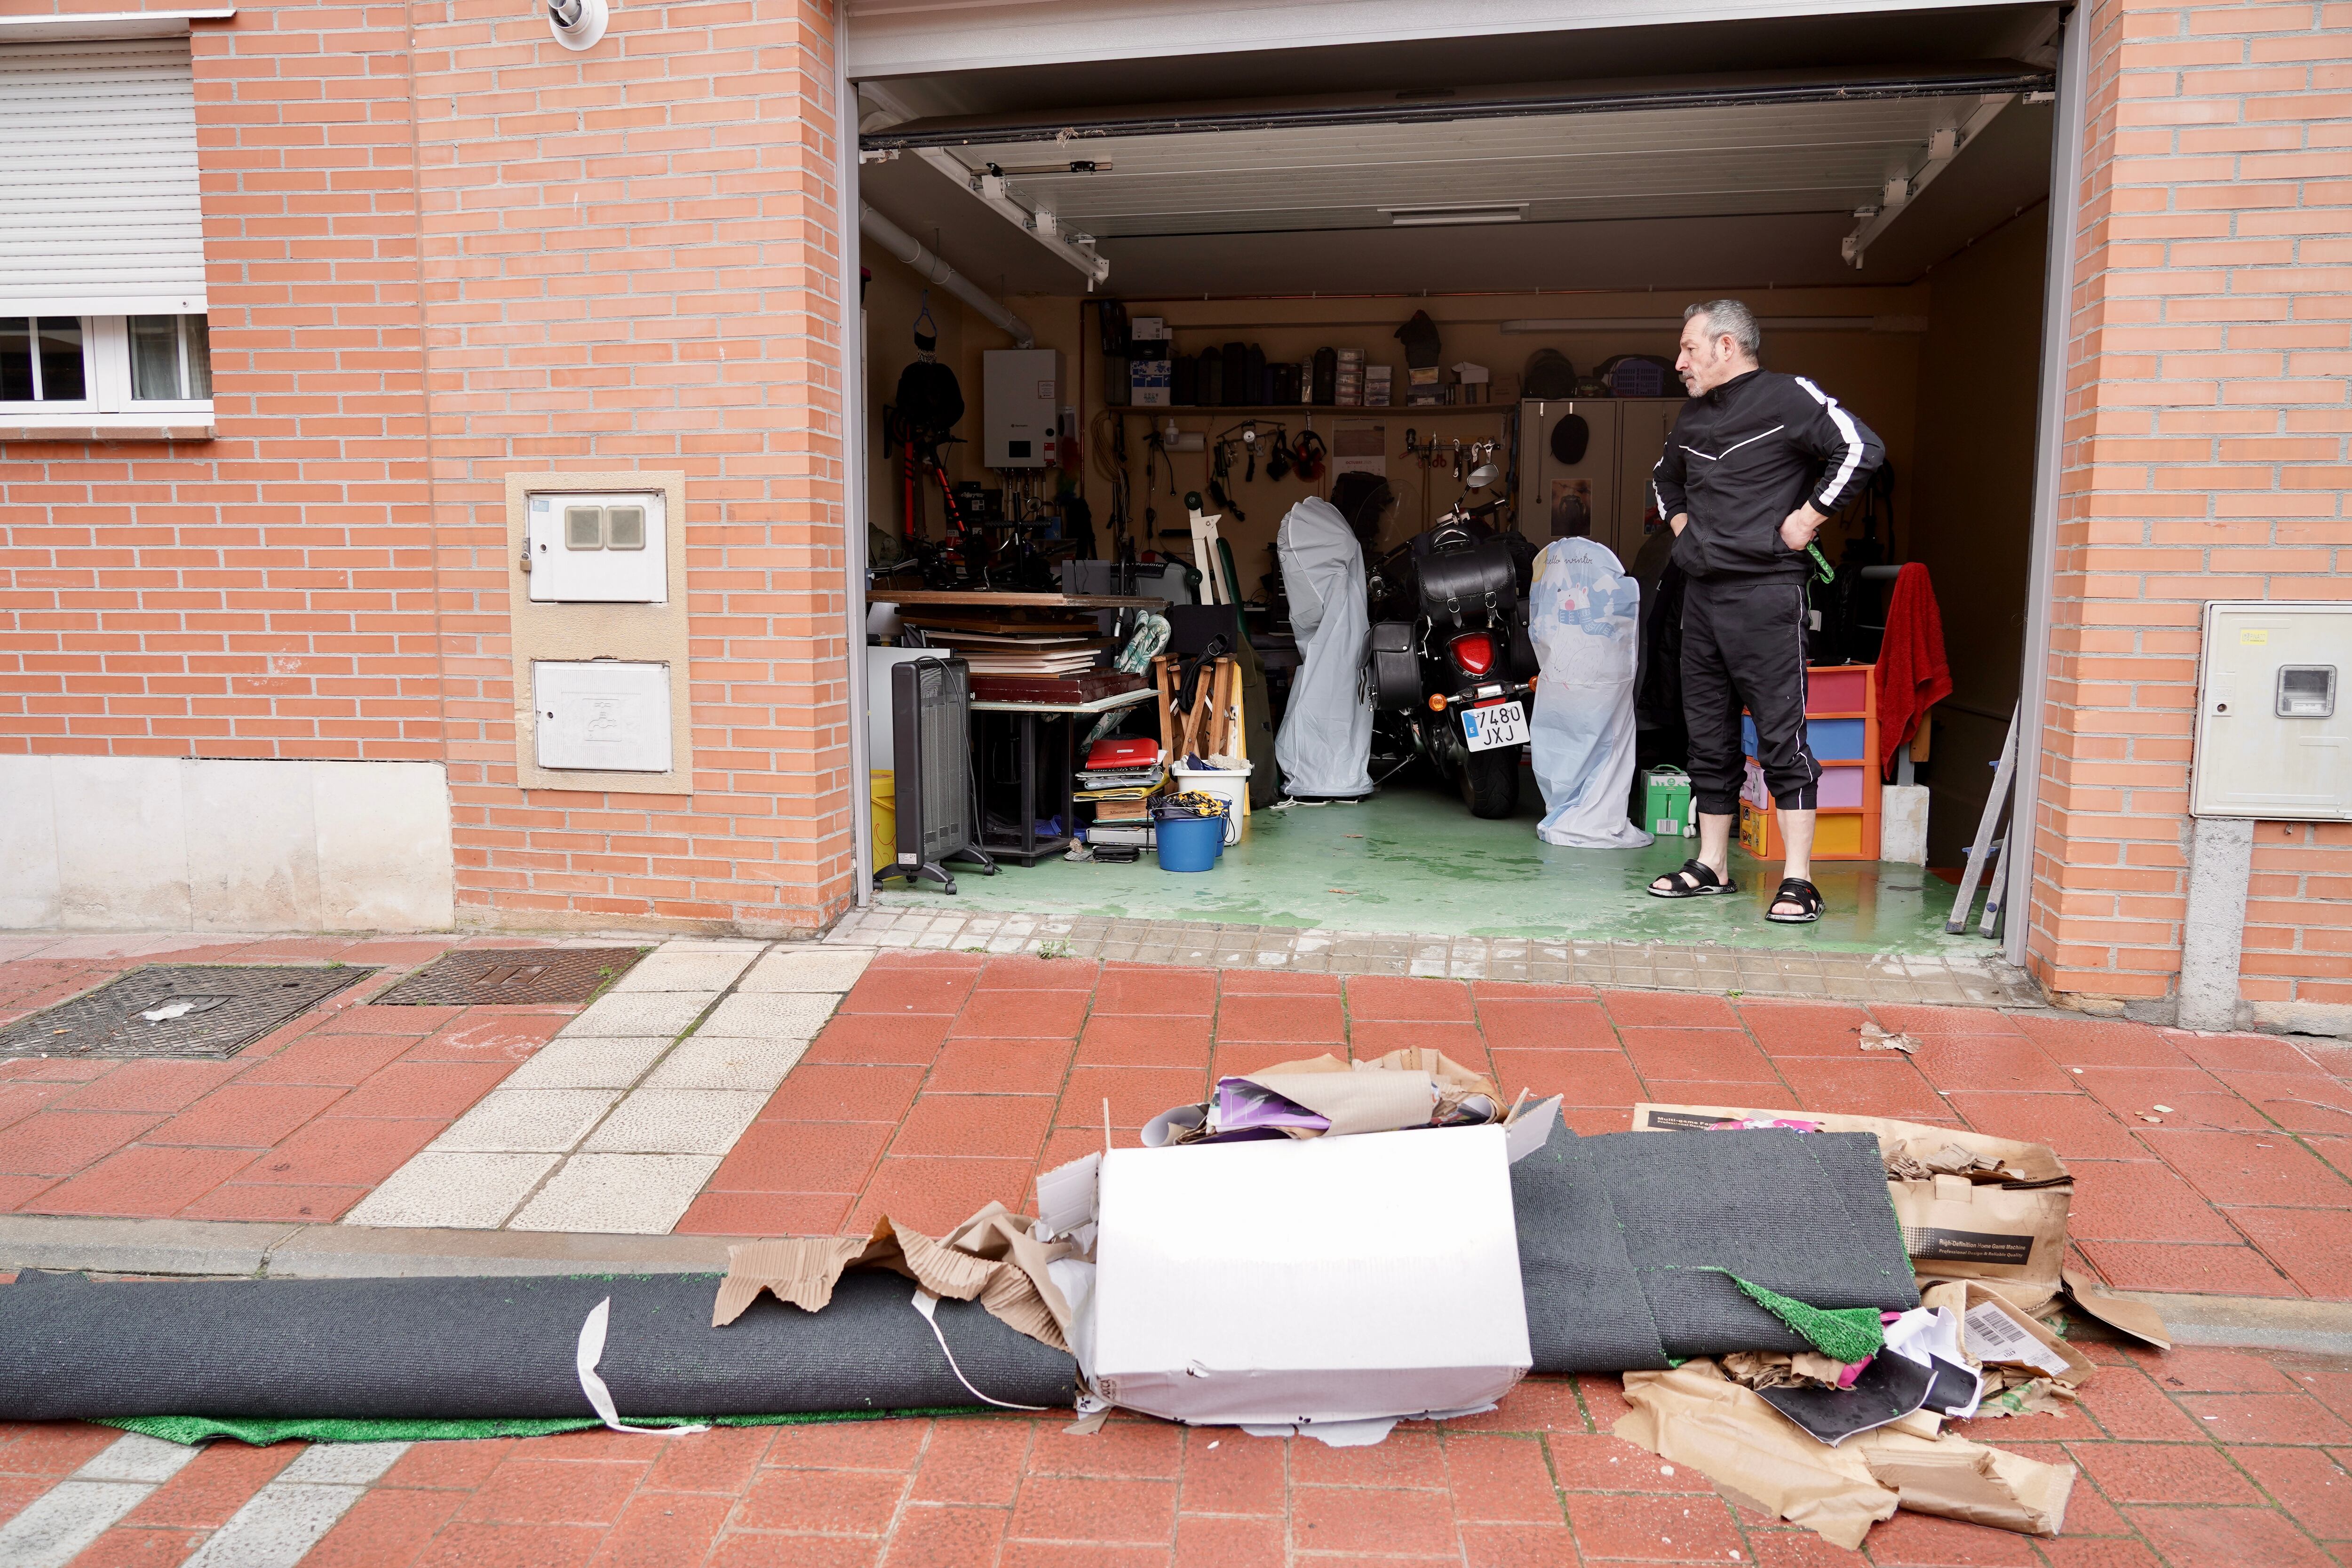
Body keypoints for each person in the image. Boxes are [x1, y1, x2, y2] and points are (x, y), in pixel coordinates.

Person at [1645, 300, 1884, 923]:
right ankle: (1713, 865)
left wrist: (1807, 519)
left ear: (1726, 346)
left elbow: (1860, 448)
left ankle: (1799, 879)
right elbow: (1663, 479)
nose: (1680, 363)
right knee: (1708, 734)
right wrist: (1683, 531)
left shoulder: (1787, 398)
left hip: (1767, 594)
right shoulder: (1693, 417)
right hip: (1701, 598)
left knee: (1782, 736)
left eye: (1689, 349)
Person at [1526, 517, 1650, 849]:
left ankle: (1562, 809)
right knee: (1607, 746)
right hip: (1600, 686)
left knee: (1563, 747)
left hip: (1561, 687)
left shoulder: (1552, 610)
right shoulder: (1607, 613)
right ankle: (1593, 817)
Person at [1273, 473, 1390, 800]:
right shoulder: (1344, 559)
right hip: (1338, 627)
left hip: (1333, 629)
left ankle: (1320, 770)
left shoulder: (1330, 542)